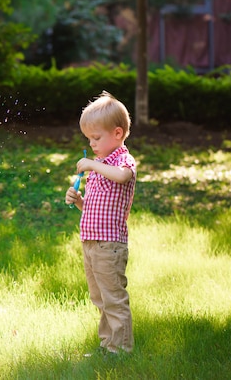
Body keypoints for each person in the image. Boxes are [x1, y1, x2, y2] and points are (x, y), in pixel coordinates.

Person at [65, 91, 136, 354]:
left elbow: (122, 177)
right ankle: (108, 344)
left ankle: (122, 350)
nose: (92, 144)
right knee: (100, 298)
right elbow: (95, 207)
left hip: (110, 245)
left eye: (96, 138)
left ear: (117, 134)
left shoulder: (122, 161)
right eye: (89, 139)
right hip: (92, 242)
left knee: (114, 298)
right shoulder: (99, 164)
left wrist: (94, 166)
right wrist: (79, 200)